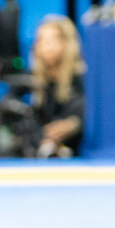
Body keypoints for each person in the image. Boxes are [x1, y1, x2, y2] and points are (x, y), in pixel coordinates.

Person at [30, 16, 86, 157]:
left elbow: (87, 112)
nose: (47, 46)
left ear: (67, 43)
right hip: (38, 148)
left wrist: (73, 124)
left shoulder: (80, 79)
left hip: (76, 150)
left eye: (53, 39)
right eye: (42, 40)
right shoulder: (31, 80)